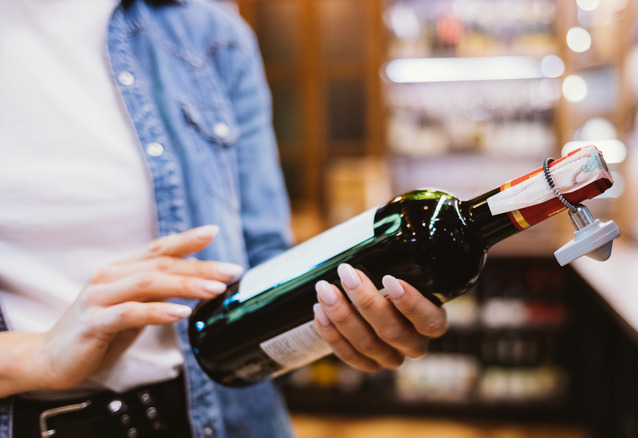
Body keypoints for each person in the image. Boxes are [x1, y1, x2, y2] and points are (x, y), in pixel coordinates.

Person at [0, 0, 448, 437]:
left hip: (231, 418)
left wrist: (344, 322)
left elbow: (265, 258)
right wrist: (35, 356)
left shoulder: (209, 33)